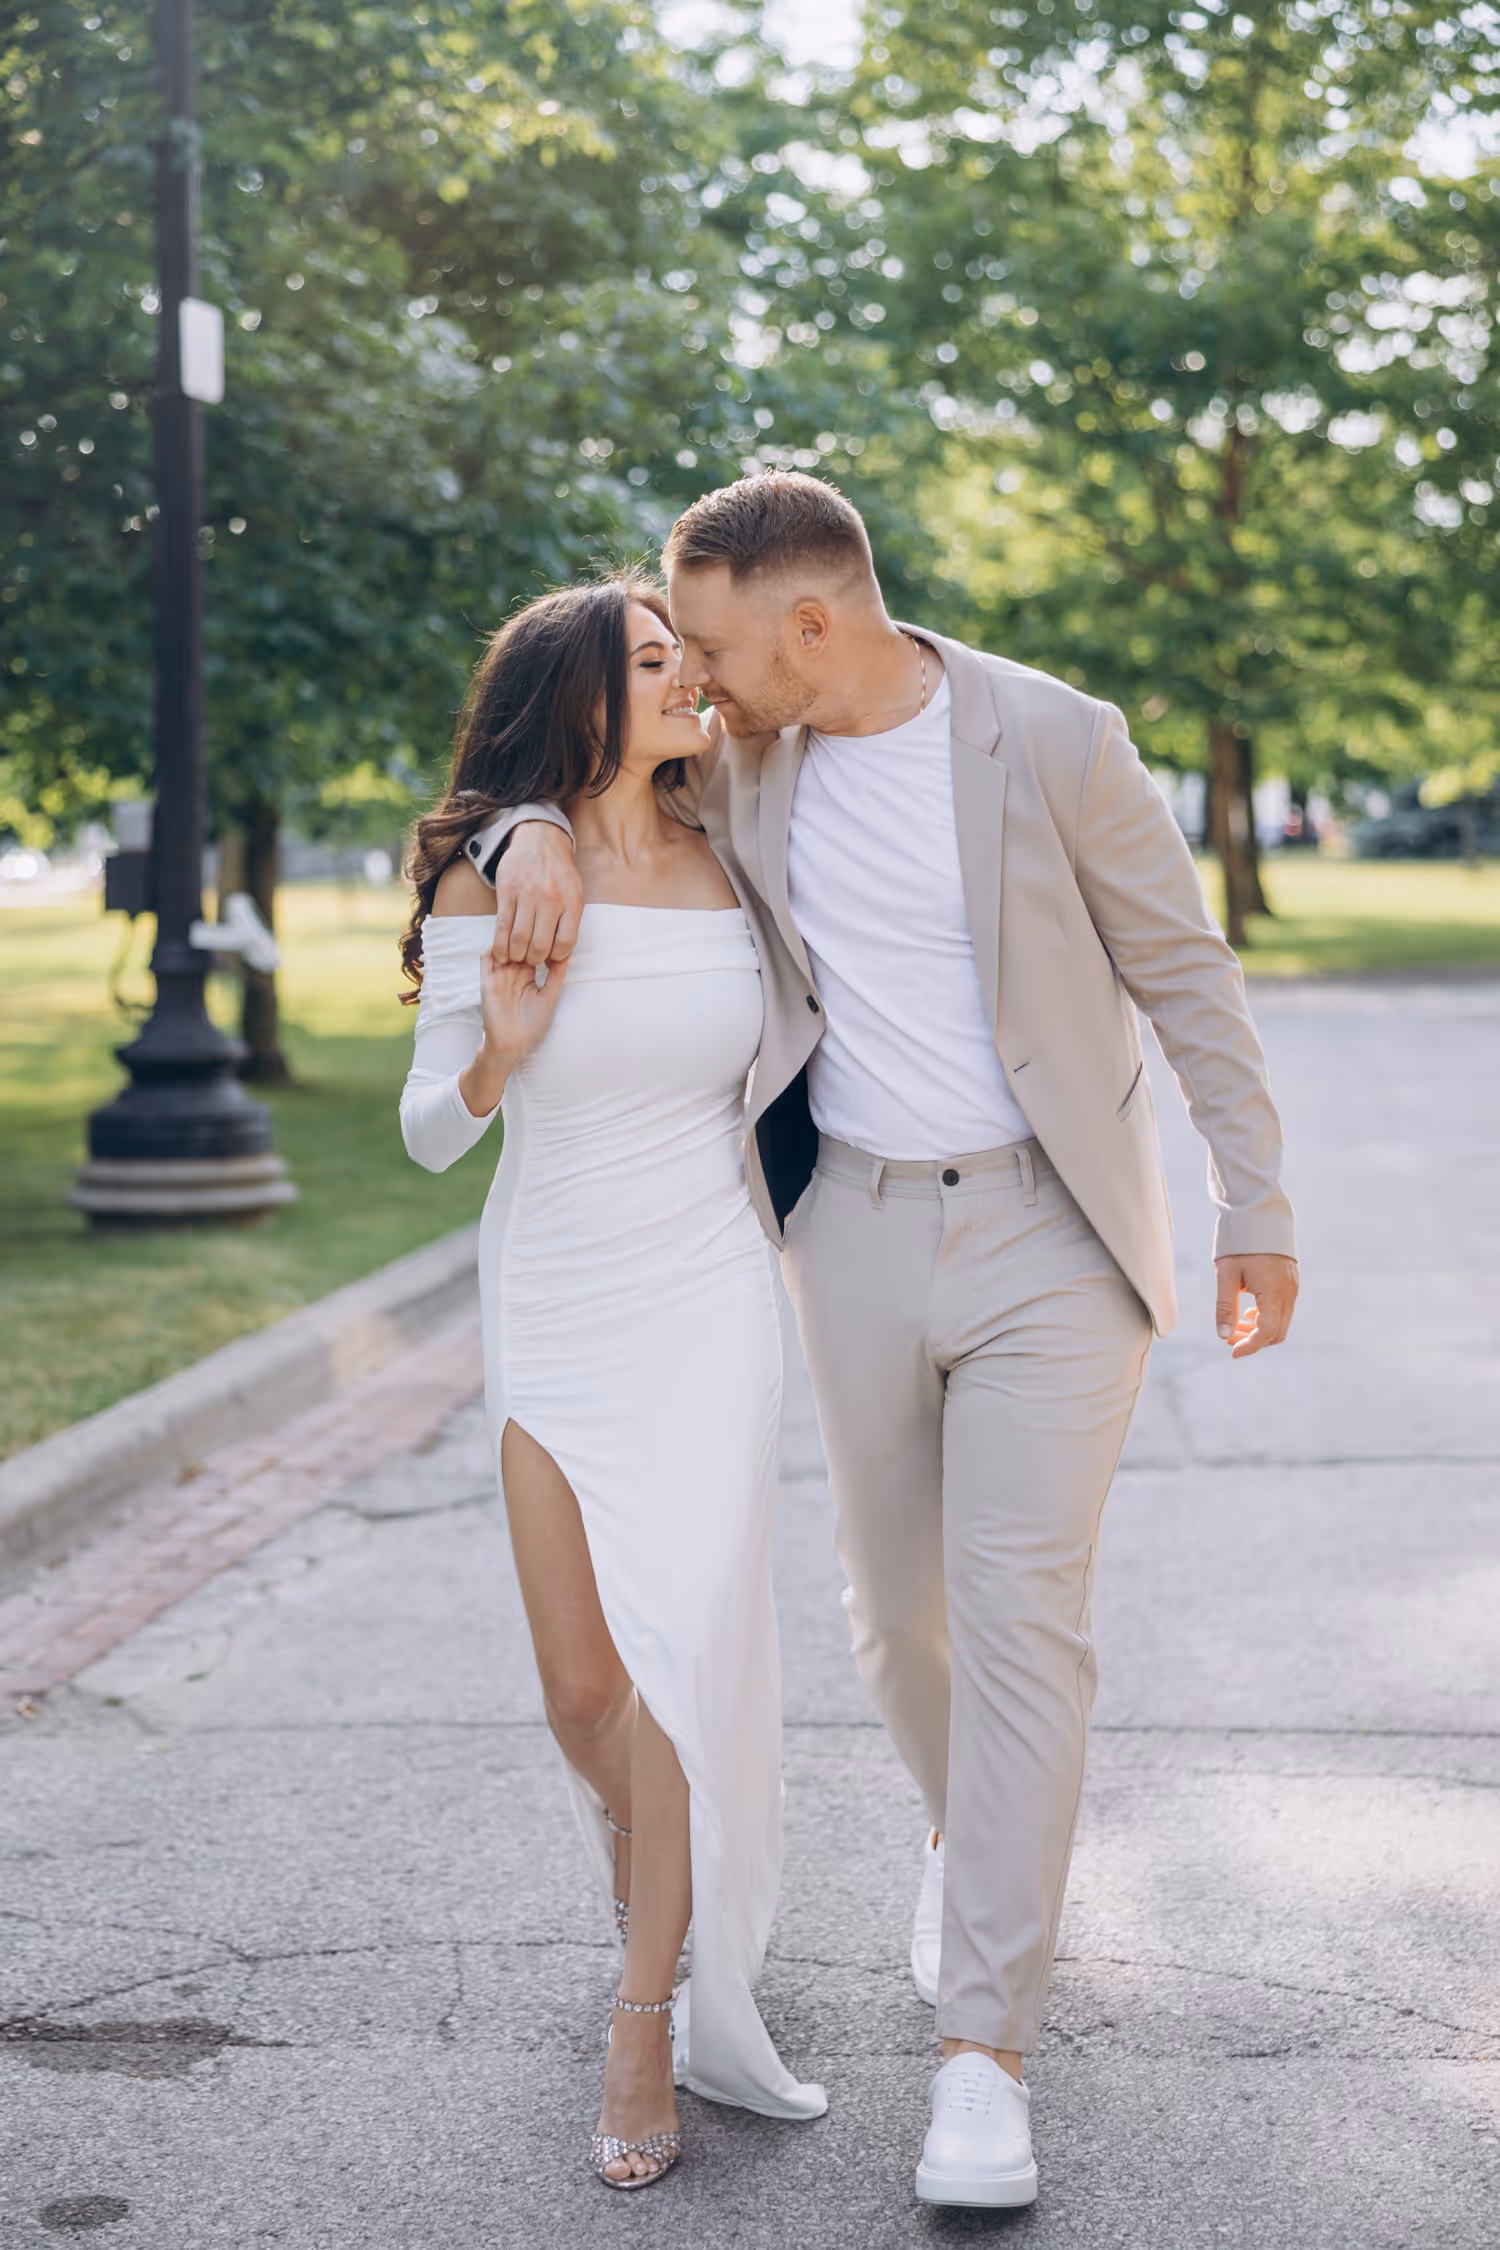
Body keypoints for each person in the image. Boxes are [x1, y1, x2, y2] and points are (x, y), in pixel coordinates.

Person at [474, 473, 1300, 2210]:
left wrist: (1259, 1199)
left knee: (1020, 1617)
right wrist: (516, 838)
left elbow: (1189, 972)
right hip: (846, 1226)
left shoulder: (1056, 739)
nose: (689, 680)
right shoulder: (738, 756)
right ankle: (961, 1829)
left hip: (1053, 1229)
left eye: (707, 642)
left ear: (810, 625)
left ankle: (983, 2058)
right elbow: (551, 775)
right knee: (897, 1609)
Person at [398, 574, 827, 2191]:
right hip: (555, 1286)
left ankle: (645, 2013)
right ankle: (676, 1869)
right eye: (653, 662)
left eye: (685, 657)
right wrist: (500, 1041)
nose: (689, 679)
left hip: (713, 1291)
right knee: (582, 1688)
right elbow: (432, 1128)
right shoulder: (483, 871)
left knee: (675, 1643)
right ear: (576, 691)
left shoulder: (738, 844)